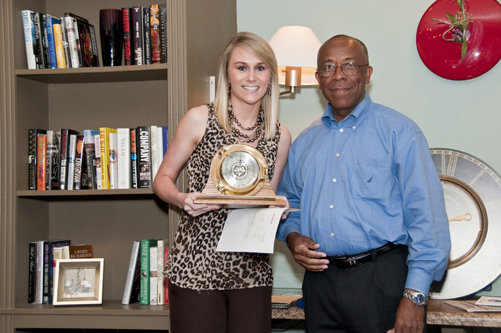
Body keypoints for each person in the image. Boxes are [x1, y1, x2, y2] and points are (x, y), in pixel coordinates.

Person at [276, 34, 451, 333]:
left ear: (367, 73)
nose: (339, 75)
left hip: (383, 280)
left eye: (350, 65)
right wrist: (292, 237)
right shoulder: (305, 142)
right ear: (318, 79)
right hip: (320, 284)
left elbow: (427, 218)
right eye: (328, 67)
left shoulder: (400, 132)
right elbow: (288, 202)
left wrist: (415, 296)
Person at [153, 31, 291, 333]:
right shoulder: (199, 118)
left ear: (271, 75)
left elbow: (266, 199)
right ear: (227, 75)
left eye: (260, 67)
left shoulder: (280, 137)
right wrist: (182, 199)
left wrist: (278, 208)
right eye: (241, 67)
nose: (251, 77)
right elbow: (162, 179)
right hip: (196, 267)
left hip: (251, 270)